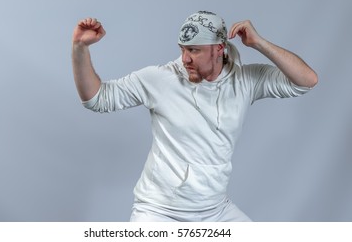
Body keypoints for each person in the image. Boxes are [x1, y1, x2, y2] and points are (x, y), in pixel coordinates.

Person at [71, 11, 318, 222]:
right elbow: (96, 98)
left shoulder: (246, 81)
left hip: (215, 211)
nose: (185, 58)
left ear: (219, 49)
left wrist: (259, 43)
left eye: (194, 50)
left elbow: (307, 80)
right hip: (159, 212)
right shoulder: (160, 79)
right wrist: (79, 48)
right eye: (182, 49)